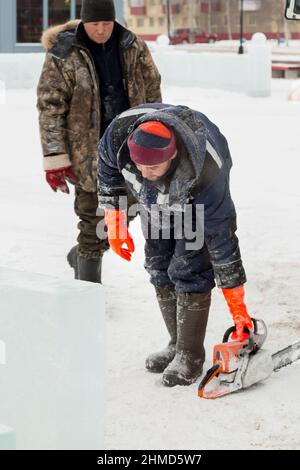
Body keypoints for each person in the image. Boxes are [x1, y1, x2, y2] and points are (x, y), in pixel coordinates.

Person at [97, 103, 253, 387]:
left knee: (189, 266)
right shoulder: (118, 136)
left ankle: (189, 356)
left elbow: (221, 235)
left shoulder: (207, 170)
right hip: (155, 201)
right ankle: (175, 343)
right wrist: (115, 222)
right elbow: (109, 173)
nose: (145, 173)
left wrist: (237, 304)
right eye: (139, 167)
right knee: (158, 262)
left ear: (172, 155)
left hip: (194, 193)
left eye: (153, 166)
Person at [37, 0, 162, 283]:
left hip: (130, 149)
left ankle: (81, 255)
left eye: (107, 24)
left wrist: (156, 136)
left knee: (128, 210)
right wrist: (56, 158)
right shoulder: (63, 54)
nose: (102, 30)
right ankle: (88, 289)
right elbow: (50, 106)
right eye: (95, 24)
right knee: (93, 220)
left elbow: (153, 90)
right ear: (84, 22)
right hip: (87, 154)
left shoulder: (133, 46)